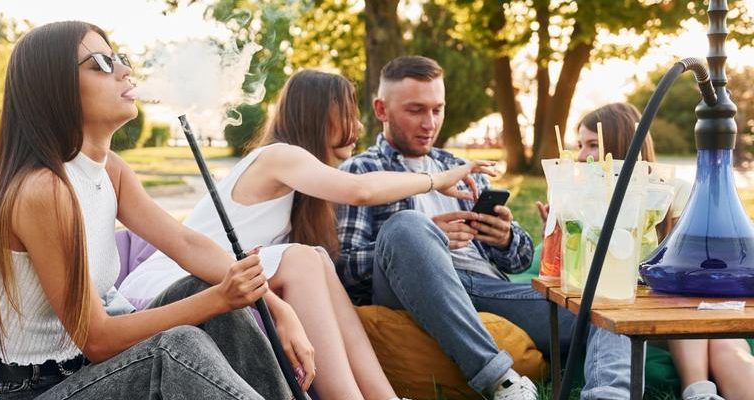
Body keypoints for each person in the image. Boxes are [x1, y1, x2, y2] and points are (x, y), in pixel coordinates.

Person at [0, 21, 305, 399]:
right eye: (100, 63)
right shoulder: (45, 190)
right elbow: (98, 340)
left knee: (207, 285)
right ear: (55, 87)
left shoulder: (111, 171)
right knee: (174, 350)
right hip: (29, 387)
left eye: (118, 58)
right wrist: (221, 297)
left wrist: (276, 306)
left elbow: (185, 243)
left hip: (82, 369)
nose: (124, 70)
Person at [120, 69, 492, 399]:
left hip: (219, 277)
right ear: (318, 114)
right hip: (175, 285)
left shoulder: (300, 179)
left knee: (314, 258)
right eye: (347, 115)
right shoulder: (280, 156)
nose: (358, 129)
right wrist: (436, 179)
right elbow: (359, 189)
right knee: (301, 259)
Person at [335, 55, 633, 400]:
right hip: (413, 292)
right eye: (416, 110)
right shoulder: (361, 171)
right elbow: (344, 267)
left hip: (489, 292)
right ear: (382, 110)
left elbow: (520, 260)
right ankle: (501, 381)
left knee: (605, 300)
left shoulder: (459, 166)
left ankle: (608, 396)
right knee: (407, 226)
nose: (429, 123)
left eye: (437, 109)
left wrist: (506, 237)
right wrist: (431, 239)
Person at [556, 103, 754, 400]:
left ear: (621, 144)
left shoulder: (676, 192)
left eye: (592, 144)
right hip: (642, 311)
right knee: (696, 316)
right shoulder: (587, 199)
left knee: (724, 340)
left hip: (681, 307)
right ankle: (698, 390)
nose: (582, 156)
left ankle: (701, 393)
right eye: (580, 145)